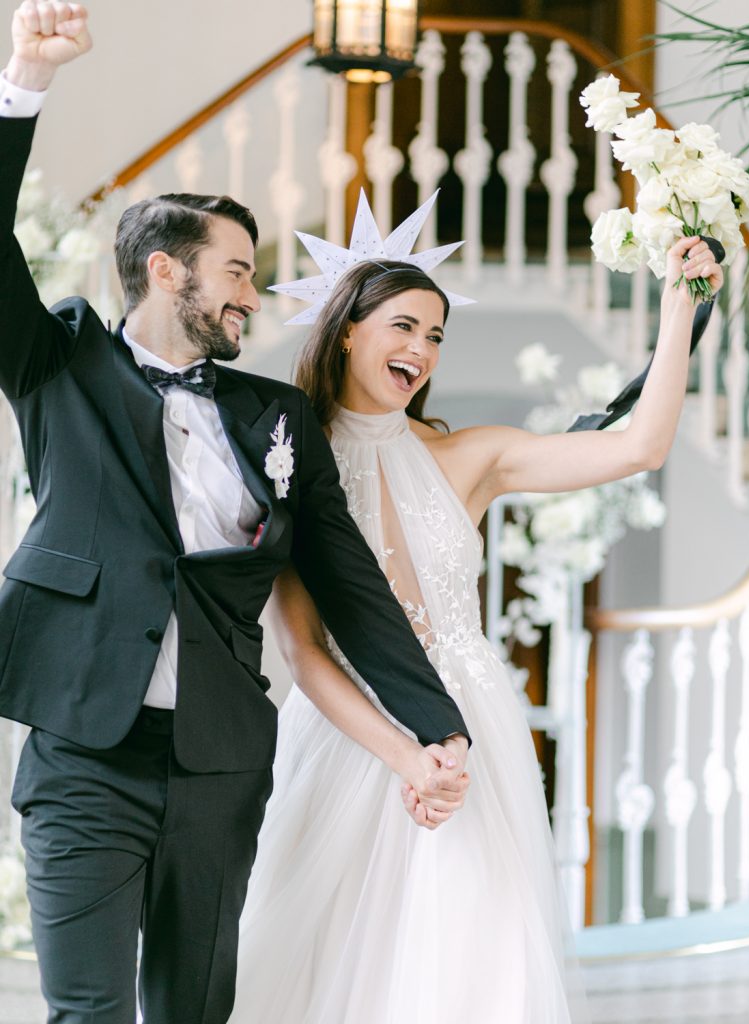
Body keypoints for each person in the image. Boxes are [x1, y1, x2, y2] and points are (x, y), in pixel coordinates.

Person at [0, 5, 472, 1022]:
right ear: (166, 270)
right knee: (87, 1013)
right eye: (238, 272)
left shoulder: (277, 414)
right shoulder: (59, 367)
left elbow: (348, 584)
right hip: (85, 751)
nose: (253, 298)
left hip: (219, 760)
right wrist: (24, 83)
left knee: (193, 1010)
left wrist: (435, 723)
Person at [231, 212, 724, 1020]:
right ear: (348, 333)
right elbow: (305, 651)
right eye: (403, 326)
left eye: (435, 334)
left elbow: (638, 448)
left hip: (472, 731)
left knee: (471, 954)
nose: (421, 350)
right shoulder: (290, 460)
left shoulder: (471, 456)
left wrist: (676, 309)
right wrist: (403, 755)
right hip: (352, 736)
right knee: (323, 966)